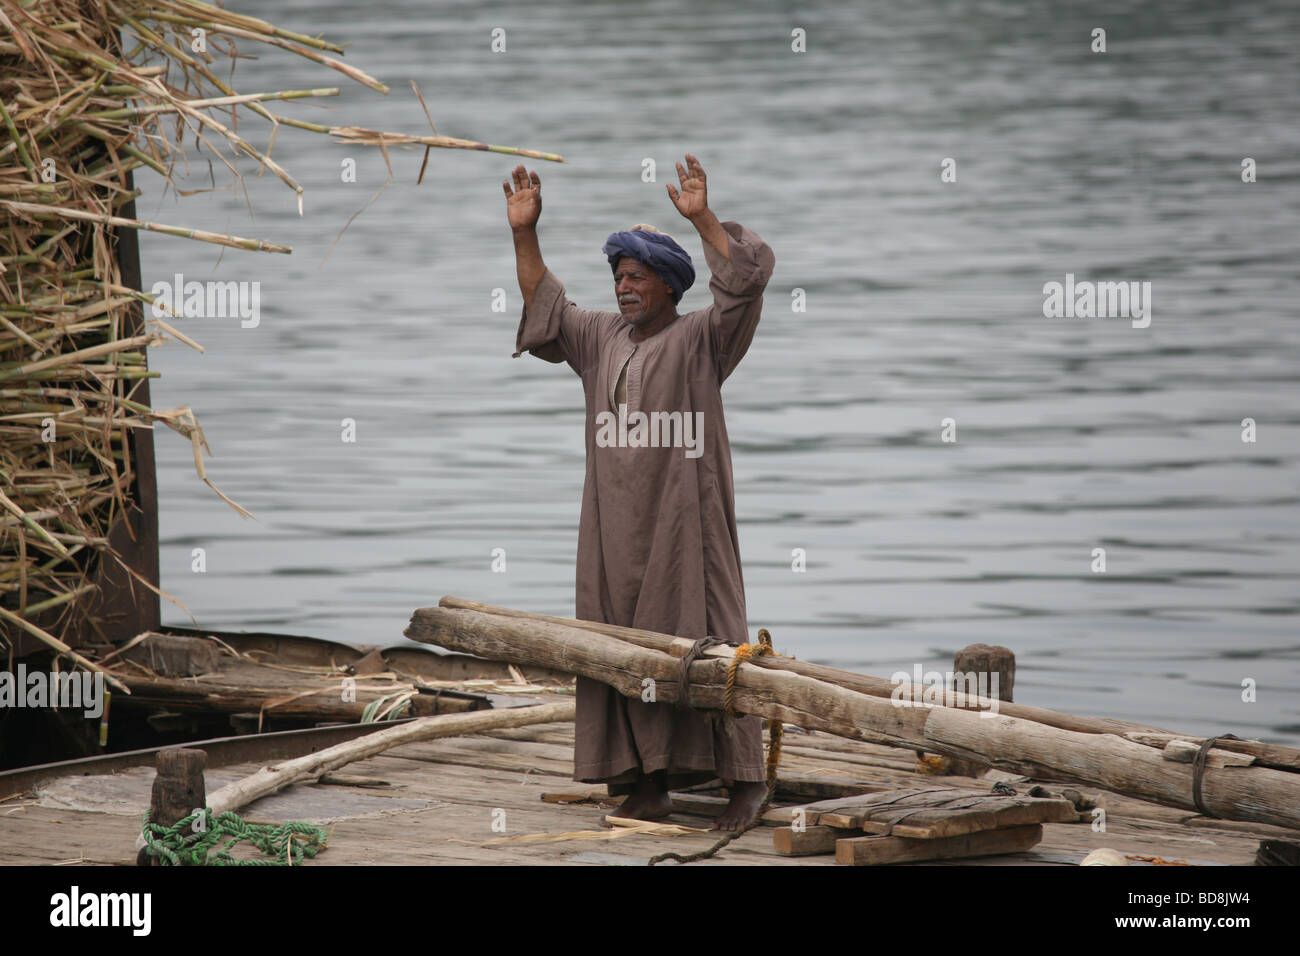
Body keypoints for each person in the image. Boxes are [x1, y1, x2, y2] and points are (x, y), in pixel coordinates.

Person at [504, 154, 775, 830]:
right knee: (622, 643)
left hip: (686, 521)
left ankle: (745, 782)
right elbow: (547, 306)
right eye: (619, 276)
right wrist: (524, 233)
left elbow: (746, 281)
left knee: (709, 636)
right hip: (611, 526)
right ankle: (649, 780)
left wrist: (701, 218)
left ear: (669, 286)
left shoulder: (703, 339)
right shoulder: (601, 338)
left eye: (638, 277)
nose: (625, 287)